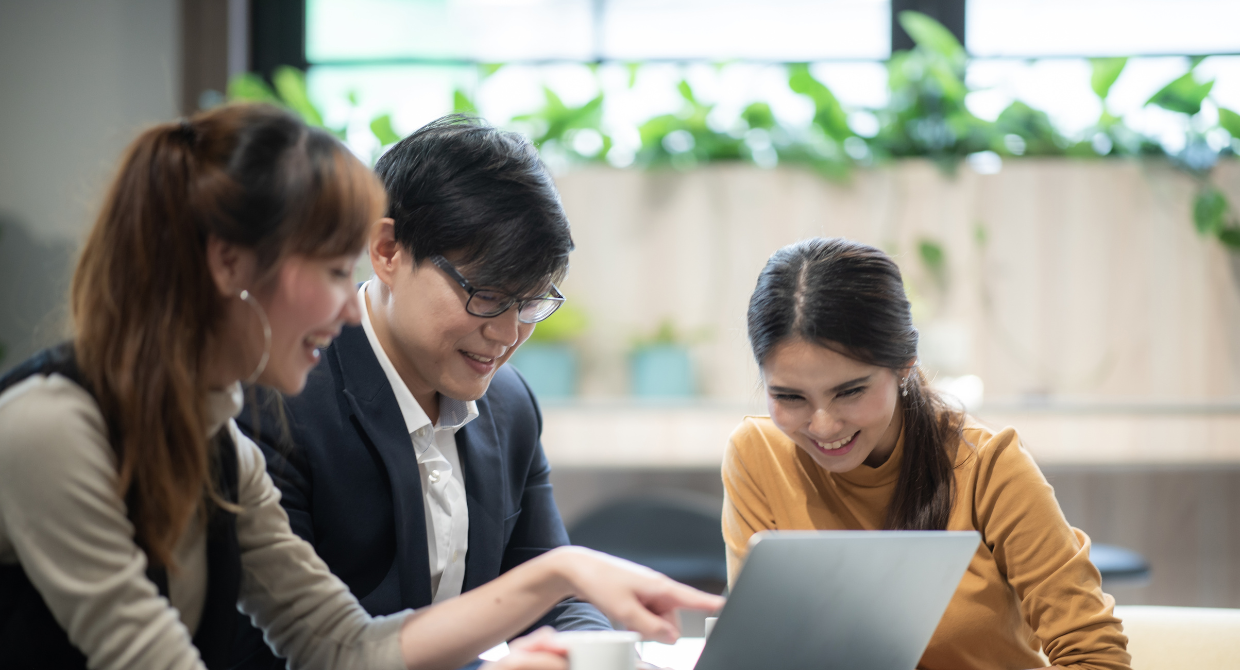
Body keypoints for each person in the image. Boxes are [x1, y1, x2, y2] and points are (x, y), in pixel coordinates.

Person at [0, 104, 723, 670]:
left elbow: (342, 649)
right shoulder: (50, 429)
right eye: (333, 273)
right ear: (229, 265)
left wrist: (558, 576)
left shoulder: (220, 448)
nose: (351, 306)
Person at [228, 116, 610, 670]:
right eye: (486, 296)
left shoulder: (509, 404)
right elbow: (292, 653)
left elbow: (554, 593)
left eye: (530, 304)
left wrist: (603, 660)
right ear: (387, 252)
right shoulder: (277, 401)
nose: (506, 336)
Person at [722, 237, 1130, 670]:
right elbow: (761, 654)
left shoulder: (987, 466)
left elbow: (1096, 657)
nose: (823, 425)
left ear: (905, 364)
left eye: (851, 391)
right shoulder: (757, 455)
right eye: (789, 396)